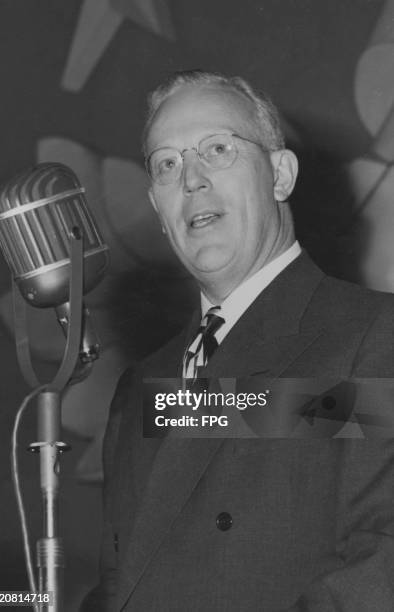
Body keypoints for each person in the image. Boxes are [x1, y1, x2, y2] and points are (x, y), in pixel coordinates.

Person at [82, 70, 394, 611]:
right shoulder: (140, 388)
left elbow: (381, 563)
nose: (191, 180)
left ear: (280, 176)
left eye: (217, 149)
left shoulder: (375, 336)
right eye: (167, 164)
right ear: (159, 209)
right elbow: (119, 584)